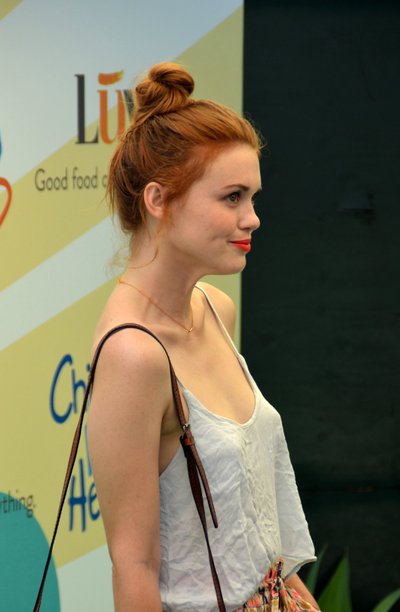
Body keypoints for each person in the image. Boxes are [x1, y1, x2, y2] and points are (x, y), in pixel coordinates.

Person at [87, 62, 319, 612]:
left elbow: (252, 526)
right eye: (232, 197)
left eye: (253, 197)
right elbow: (134, 567)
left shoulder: (216, 309)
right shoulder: (132, 354)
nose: (253, 218)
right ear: (158, 200)